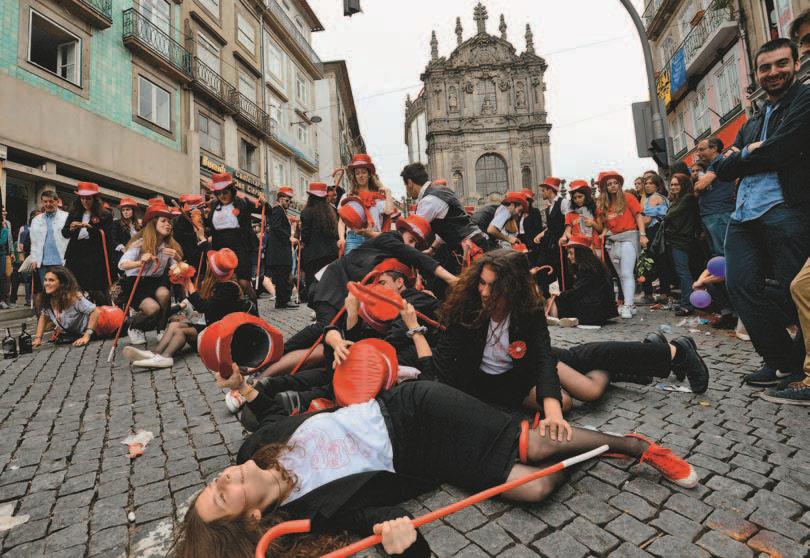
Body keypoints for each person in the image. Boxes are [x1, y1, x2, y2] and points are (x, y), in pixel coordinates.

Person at [176, 364, 698, 558]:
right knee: (536, 488)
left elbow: (272, 411)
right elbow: (383, 520)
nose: (223, 477)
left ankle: (634, 446)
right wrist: (403, 545)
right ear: (251, 518)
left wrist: (247, 388)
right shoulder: (314, 513)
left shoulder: (253, 450)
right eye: (223, 495)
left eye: (213, 482)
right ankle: (596, 449)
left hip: (414, 408)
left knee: (536, 447)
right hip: (422, 454)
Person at [714, 38, 810, 386]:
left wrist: (743, 156)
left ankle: (800, 363)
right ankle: (780, 361)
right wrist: (746, 153)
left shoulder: (804, 99)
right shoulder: (752, 120)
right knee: (740, 286)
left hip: (786, 208)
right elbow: (721, 168)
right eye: (764, 67)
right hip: (743, 215)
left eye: (781, 64)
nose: (773, 72)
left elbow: (785, 148)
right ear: (756, 73)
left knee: (793, 292)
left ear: (796, 64)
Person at [279, 215, 457, 359]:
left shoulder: (393, 250)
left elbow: (413, 265)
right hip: (334, 283)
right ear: (401, 232)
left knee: (332, 336)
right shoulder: (390, 238)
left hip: (346, 290)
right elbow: (416, 257)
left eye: (416, 244)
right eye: (410, 240)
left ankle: (289, 365)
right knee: (325, 326)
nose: (411, 246)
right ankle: (278, 352)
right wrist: (451, 279)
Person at [123, 247, 248, 370]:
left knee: (180, 331)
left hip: (220, 334)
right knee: (174, 325)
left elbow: (204, 308)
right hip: (212, 326)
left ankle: (166, 357)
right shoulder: (220, 284)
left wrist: (189, 285)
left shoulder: (229, 287)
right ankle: (155, 353)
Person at [118, 203, 183, 345]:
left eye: (169, 222)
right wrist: (140, 262)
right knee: (153, 309)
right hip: (136, 282)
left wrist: (178, 259)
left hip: (156, 282)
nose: (168, 224)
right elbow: (122, 264)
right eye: (163, 221)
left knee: (164, 294)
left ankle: (161, 330)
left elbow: (178, 270)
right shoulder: (140, 243)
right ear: (153, 224)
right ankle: (133, 326)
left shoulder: (169, 246)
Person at [401, 161, 488, 258]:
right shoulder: (439, 190)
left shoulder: (429, 200)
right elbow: (445, 227)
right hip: (474, 242)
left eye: (405, 185)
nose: (407, 190)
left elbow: (413, 230)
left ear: (410, 183)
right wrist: (432, 249)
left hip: (472, 247)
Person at [593, 171, 647, 319]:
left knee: (627, 273)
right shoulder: (604, 204)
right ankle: (630, 304)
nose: (612, 186)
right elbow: (606, 224)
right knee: (620, 275)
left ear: (619, 184)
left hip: (629, 237)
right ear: (605, 187)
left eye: (615, 183)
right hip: (613, 240)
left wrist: (642, 235)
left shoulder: (628, 197)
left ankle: (628, 305)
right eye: (609, 184)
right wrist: (604, 233)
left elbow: (638, 216)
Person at [204, 173, 258, 310]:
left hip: (240, 246)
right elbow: (209, 226)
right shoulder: (214, 206)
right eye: (218, 193)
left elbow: (264, 209)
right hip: (220, 248)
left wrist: (263, 203)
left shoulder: (242, 202)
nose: (222, 195)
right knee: (223, 282)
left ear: (232, 190)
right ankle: (229, 313)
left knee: (243, 282)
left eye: (225, 192)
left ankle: (254, 311)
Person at [61, 182, 114, 305]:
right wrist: (71, 229)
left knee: (96, 290)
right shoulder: (74, 213)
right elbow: (65, 233)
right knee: (74, 288)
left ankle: (100, 312)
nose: (85, 201)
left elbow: (107, 237)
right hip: (75, 255)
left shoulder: (105, 215)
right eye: (82, 198)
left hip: (94, 257)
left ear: (95, 199)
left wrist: (90, 228)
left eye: (88, 198)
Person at [547, 236, 617, 327]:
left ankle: (555, 320)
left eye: (571, 253)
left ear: (580, 253)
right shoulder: (594, 265)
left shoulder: (587, 269)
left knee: (554, 300)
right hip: (600, 309)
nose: (568, 256)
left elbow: (577, 292)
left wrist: (560, 294)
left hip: (592, 311)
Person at [32, 266, 99, 348]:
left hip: (103, 325)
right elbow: (44, 316)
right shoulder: (48, 298)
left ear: (62, 283)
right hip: (77, 333)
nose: (46, 283)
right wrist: (38, 338)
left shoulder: (74, 297)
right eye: (45, 280)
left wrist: (86, 336)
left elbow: (95, 312)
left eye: (51, 280)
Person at [663, 173, 701, 316]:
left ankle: (688, 305)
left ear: (684, 185)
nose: (673, 187)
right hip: (674, 239)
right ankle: (685, 300)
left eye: (676, 184)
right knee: (680, 272)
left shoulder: (687, 198)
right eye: (672, 184)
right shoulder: (677, 199)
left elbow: (669, 215)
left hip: (682, 240)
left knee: (683, 272)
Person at [339, 154, 392, 254]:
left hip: (374, 238)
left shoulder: (378, 197)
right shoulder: (347, 196)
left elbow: (388, 211)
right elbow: (341, 221)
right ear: (354, 176)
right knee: (351, 263)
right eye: (357, 173)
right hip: (354, 239)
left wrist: (388, 193)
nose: (361, 175)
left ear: (369, 175)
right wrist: (342, 238)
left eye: (363, 172)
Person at [693, 138, 735, 258]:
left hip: (719, 213)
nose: (698, 154)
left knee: (723, 252)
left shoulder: (719, 162)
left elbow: (700, 186)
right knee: (718, 253)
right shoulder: (712, 165)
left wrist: (699, 183)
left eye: (702, 149)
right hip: (713, 214)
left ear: (714, 148)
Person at [300, 182, 339, 301]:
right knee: (328, 283)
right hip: (331, 253)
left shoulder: (306, 212)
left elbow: (305, 236)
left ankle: (316, 306)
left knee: (314, 283)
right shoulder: (332, 212)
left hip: (313, 255)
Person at [29, 190, 69, 301]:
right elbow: (34, 242)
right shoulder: (36, 220)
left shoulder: (66, 217)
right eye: (45, 201)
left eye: (51, 201)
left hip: (61, 262)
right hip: (43, 263)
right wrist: (34, 259)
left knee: (63, 292)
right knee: (47, 293)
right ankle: (49, 312)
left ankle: (61, 312)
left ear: (57, 201)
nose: (48, 204)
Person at [639, 174, 670, 303]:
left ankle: (648, 294)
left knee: (646, 263)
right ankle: (664, 293)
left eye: (651, 183)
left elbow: (646, 220)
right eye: (646, 183)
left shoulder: (653, 198)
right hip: (660, 232)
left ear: (657, 186)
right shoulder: (663, 198)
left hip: (652, 232)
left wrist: (637, 222)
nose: (647, 185)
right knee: (662, 262)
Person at [533, 177, 565, 296]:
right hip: (549, 243)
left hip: (559, 243)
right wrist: (540, 234)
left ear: (550, 190)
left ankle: (565, 297)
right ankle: (544, 296)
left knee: (562, 273)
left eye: (543, 190)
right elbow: (551, 227)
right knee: (541, 268)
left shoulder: (563, 203)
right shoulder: (549, 207)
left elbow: (568, 222)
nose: (542, 193)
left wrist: (564, 237)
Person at [267, 187, 296, 309]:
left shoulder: (281, 211)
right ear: (280, 199)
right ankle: (282, 301)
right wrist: (288, 238)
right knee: (282, 276)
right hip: (279, 251)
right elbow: (276, 227)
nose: (289, 203)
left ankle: (282, 300)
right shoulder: (278, 210)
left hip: (280, 250)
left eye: (290, 201)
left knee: (283, 275)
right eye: (287, 200)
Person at [110, 197, 141, 277]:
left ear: (133, 211)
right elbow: (113, 239)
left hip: (137, 255)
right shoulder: (116, 223)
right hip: (121, 255)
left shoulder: (139, 226)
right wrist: (123, 248)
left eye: (128, 209)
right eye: (123, 210)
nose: (125, 212)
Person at [0, 212, 12, 308]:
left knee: (2, 277)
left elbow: (2, 242)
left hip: (2, 255)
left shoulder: (4, 230)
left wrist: (11, 252)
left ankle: (2, 300)